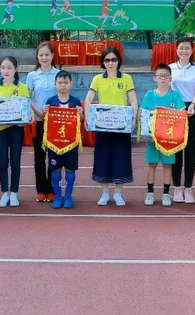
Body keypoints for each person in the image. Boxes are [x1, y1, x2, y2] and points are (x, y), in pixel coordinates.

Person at [83, 46, 138, 206]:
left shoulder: (126, 78)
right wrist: (88, 117)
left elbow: (133, 100)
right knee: (102, 158)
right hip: (103, 126)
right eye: (107, 60)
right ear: (103, 62)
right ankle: (105, 193)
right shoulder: (98, 79)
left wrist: (132, 119)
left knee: (121, 158)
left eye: (113, 59)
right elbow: (87, 100)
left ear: (119, 61)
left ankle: (119, 193)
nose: (110, 63)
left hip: (121, 126)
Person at [139, 64, 185, 206]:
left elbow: (181, 112)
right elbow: (142, 112)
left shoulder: (175, 95)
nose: (163, 78)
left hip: (168, 140)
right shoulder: (149, 95)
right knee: (152, 164)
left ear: (170, 78)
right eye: (160, 76)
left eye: (166, 76)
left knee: (167, 165)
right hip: (152, 138)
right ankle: (150, 193)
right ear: (155, 78)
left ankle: (166, 194)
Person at [0, 56, 29, 207]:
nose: (6, 71)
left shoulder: (23, 87)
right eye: (3, 68)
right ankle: (4, 193)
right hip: (0, 130)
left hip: (16, 130)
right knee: (3, 161)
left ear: (16, 69)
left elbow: (25, 109)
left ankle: (14, 193)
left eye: (9, 68)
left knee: (15, 161)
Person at [169, 37, 195, 203]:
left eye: (187, 48)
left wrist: (193, 105)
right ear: (176, 50)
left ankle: (188, 187)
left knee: (191, 151)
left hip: (193, 109)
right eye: (181, 48)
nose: (184, 51)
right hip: (175, 110)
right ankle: (177, 187)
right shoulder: (170, 68)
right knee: (176, 150)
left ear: (192, 51)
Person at [43, 70, 83, 209]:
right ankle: (58, 196)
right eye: (60, 83)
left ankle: (68, 196)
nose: (63, 85)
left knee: (70, 170)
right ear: (55, 84)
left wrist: (80, 114)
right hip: (54, 143)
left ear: (71, 84)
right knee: (56, 169)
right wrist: (44, 112)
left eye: (66, 82)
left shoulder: (75, 101)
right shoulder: (51, 101)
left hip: (71, 143)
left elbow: (82, 122)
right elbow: (45, 121)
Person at [26, 41, 58, 202]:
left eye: (47, 54)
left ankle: (51, 189)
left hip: (54, 123)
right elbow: (28, 98)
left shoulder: (58, 74)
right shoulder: (32, 76)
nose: (44, 57)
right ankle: (40, 189)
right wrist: (38, 113)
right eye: (41, 55)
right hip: (38, 122)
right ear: (37, 57)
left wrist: (50, 115)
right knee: (39, 157)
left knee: (54, 157)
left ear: (52, 56)